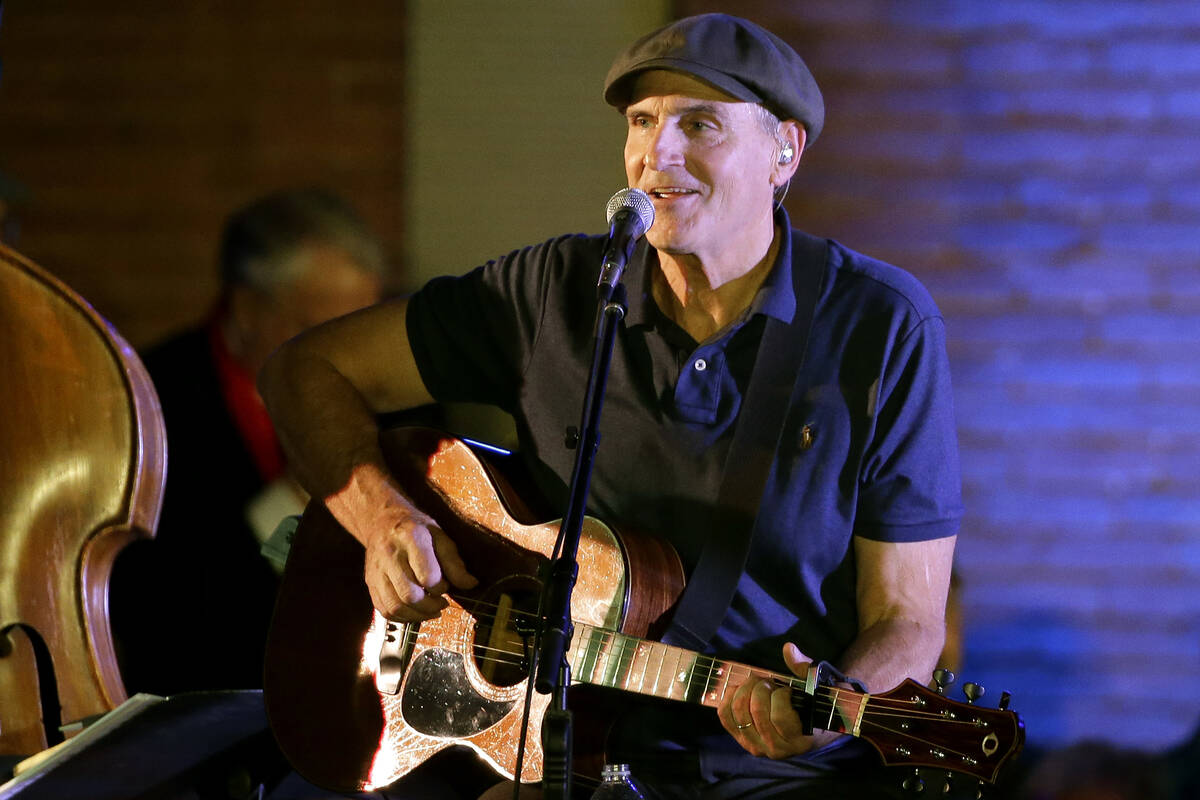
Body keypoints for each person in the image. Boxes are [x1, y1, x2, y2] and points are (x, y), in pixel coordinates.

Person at [259, 14, 961, 800]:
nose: (657, 156)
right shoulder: (554, 292)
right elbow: (305, 369)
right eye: (642, 121)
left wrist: (826, 706)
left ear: (784, 152)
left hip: (768, 773)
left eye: (700, 125)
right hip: (550, 749)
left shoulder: (880, 325)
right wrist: (383, 521)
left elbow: (909, 619)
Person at [111, 187, 387, 695]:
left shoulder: (379, 391)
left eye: (362, 327)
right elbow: (152, 601)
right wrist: (292, 499)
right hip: (205, 697)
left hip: (342, 696)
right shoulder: (147, 400)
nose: (348, 354)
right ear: (247, 308)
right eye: (322, 328)